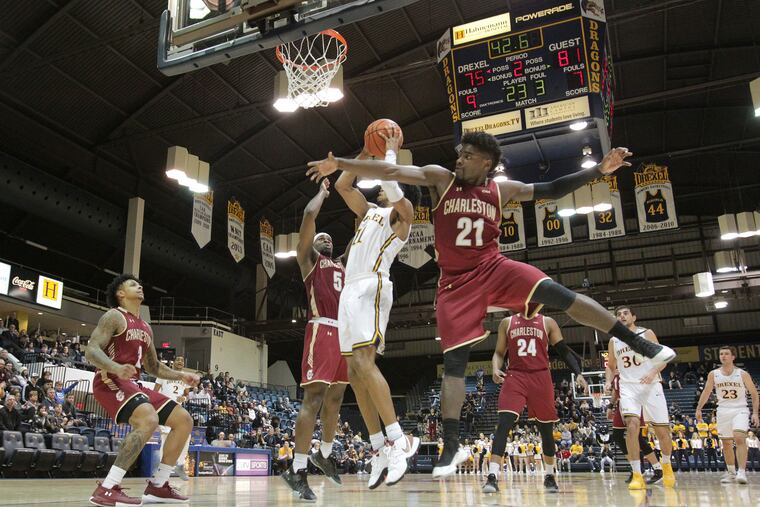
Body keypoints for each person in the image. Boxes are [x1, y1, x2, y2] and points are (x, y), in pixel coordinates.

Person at [306, 131, 676, 478]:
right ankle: (450, 447)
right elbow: (389, 170)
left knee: (559, 295)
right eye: (460, 154)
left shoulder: (503, 189)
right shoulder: (441, 179)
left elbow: (551, 189)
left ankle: (644, 345)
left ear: (486, 163)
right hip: (455, 284)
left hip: (493, 267)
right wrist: (340, 162)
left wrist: (598, 169)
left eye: (467, 156)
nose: (460, 159)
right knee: (454, 362)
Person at [329, 132, 420, 489]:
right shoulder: (369, 213)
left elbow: (389, 181)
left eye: (386, 184)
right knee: (354, 372)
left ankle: (399, 439)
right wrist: (365, 148)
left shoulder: (403, 215)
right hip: (350, 290)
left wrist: (390, 151)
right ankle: (378, 446)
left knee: (366, 363)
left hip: (373, 286)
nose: (380, 187)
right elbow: (342, 185)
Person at [87, 274, 200, 507]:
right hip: (109, 380)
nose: (139, 286)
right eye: (132, 284)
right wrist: (116, 367)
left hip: (134, 384)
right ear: (120, 293)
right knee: (148, 418)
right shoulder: (114, 316)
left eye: (140, 284)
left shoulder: (146, 327)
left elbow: (153, 366)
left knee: (184, 420)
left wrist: (182, 375)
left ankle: (158, 486)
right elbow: (91, 351)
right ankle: (107, 488)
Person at [281, 180, 350, 502]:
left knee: (336, 400)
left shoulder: (343, 267)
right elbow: (309, 216)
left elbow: (362, 239)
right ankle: (297, 469)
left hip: (345, 333)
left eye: (330, 238)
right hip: (321, 329)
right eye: (322, 236)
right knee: (314, 399)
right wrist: (323, 194)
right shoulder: (310, 263)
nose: (327, 239)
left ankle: (324, 453)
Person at [483, 312, 587, 493]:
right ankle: (492, 476)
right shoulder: (507, 322)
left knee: (546, 430)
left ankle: (549, 476)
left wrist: (578, 372)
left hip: (541, 376)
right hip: (515, 375)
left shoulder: (547, 322)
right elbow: (499, 353)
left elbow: (563, 350)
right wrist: (495, 368)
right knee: (503, 424)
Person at [606, 306, 675, 490]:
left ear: (633, 317)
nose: (622, 316)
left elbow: (663, 357)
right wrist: (608, 381)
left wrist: (653, 372)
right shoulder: (614, 340)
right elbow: (611, 365)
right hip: (629, 387)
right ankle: (637, 474)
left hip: (651, 385)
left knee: (662, 433)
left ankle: (666, 466)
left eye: (625, 313)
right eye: (619, 314)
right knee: (632, 426)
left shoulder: (647, 333)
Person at [695, 345, 760, 484]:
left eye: (726, 353)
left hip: (740, 409)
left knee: (739, 437)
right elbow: (706, 392)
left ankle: (741, 472)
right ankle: (731, 473)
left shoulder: (742, 374)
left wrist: (755, 413)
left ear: (733, 357)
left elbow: (754, 394)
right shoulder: (713, 374)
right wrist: (699, 408)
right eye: (721, 354)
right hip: (723, 410)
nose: (723, 356)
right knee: (726, 443)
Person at [606, 371, 663, 485]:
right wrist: (610, 406)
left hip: (634, 403)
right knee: (617, 436)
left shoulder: (632, 369)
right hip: (620, 405)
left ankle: (658, 469)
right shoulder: (616, 373)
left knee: (638, 438)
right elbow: (615, 391)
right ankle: (635, 468)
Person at [154, 356, 191, 481]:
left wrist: (184, 398)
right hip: (164, 408)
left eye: (182, 360)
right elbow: (155, 391)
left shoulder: (185, 378)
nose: (180, 362)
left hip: (177, 410)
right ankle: (161, 469)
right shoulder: (164, 374)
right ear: (173, 362)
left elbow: (187, 394)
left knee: (187, 435)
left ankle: (180, 464)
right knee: (165, 439)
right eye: (178, 360)